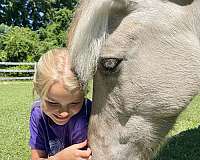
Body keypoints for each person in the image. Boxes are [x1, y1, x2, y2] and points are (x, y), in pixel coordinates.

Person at [29, 48, 92, 160]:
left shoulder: (90, 110)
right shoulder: (39, 115)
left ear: (84, 94)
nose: (64, 113)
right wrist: (58, 158)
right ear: (38, 91)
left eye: (74, 103)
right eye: (53, 103)